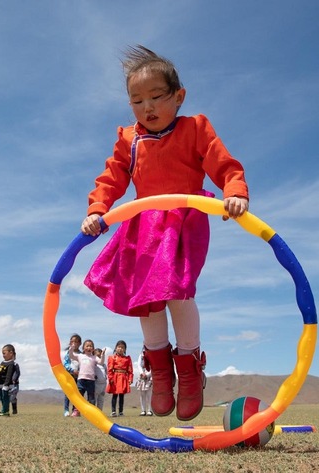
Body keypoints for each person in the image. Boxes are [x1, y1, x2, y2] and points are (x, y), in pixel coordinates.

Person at [81, 45, 249, 421]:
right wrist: (97, 210)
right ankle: (160, 370)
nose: (147, 107)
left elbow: (224, 164)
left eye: (157, 97)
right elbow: (110, 179)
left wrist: (234, 192)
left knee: (175, 291)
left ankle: (188, 368)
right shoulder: (129, 139)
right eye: (137, 100)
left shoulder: (195, 128)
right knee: (146, 299)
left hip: (183, 222)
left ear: (179, 97)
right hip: (141, 227)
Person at [67, 339, 106, 411]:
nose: (89, 348)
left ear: (93, 349)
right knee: (79, 397)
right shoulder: (80, 356)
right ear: (83, 348)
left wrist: (103, 355)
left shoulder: (94, 357)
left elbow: (101, 362)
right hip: (81, 380)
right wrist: (71, 348)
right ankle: (76, 411)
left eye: (91, 346)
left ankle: (92, 411)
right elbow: (71, 356)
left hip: (91, 381)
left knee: (91, 398)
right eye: (87, 346)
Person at [106, 340, 133, 417]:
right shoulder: (112, 358)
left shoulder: (127, 359)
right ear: (116, 348)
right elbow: (110, 369)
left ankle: (121, 411)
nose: (120, 349)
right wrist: (110, 378)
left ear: (125, 349)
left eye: (122, 347)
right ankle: (113, 411)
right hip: (115, 377)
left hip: (124, 377)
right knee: (115, 394)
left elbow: (130, 370)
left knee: (121, 395)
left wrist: (130, 379)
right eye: (119, 347)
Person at [62, 334, 81, 417]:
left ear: (79, 343)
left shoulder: (81, 354)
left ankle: (75, 410)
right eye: (72, 341)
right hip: (69, 375)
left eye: (76, 342)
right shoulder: (68, 353)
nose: (74, 343)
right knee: (68, 393)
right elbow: (65, 363)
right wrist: (72, 370)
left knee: (76, 393)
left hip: (78, 376)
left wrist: (79, 372)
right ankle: (66, 410)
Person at [0, 344, 17, 416]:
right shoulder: (2, 363)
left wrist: (6, 384)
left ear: (11, 353)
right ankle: (3, 409)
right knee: (1, 398)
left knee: (5, 398)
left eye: (4, 353)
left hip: (6, 385)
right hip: (1, 384)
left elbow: (9, 374)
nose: (3, 355)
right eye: (2, 353)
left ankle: (6, 411)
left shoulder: (11, 364)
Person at [136, 348, 153, 416]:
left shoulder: (152, 355)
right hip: (142, 376)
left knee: (149, 394)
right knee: (142, 394)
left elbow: (153, 366)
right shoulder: (141, 355)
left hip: (149, 376)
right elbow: (139, 365)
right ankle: (143, 410)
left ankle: (150, 410)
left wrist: (147, 374)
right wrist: (141, 373)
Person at [93, 347, 108, 411]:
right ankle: (93, 412)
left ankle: (99, 411)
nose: (98, 358)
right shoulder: (94, 364)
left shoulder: (104, 365)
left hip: (103, 384)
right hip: (96, 383)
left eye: (100, 356)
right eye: (97, 356)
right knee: (94, 398)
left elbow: (106, 372)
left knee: (101, 399)